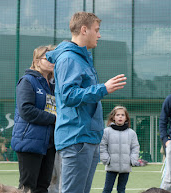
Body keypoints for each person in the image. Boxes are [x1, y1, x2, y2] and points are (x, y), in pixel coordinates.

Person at [46, 12, 127, 193]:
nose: (99, 35)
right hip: (76, 137)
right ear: (84, 30)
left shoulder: (81, 58)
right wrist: (103, 88)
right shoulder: (69, 59)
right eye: (96, 30)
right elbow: (68, 95)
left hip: (87, 137)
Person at [11, 45, 57, 193]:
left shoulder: (53, 85)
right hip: (30, 141)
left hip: (49, 143)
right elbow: (26, 110)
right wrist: (55, 119)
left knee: (43, 186)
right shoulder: (27, 80)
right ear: (37, 61)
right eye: (48, 58)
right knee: (27, 187)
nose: (52, 62)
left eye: (54, 59)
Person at [100, 106, 140, 193]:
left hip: (126, 166)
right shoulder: (106, 132)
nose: (120, 117)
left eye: (122, 115)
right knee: (107, 189)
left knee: (121, 190)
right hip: (111, 166)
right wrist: (106, 159)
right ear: (113, 117)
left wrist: (132, 160)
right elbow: (102, 146)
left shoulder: (131, 133)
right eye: (118, 115)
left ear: (126, 118)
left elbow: (135, 147)